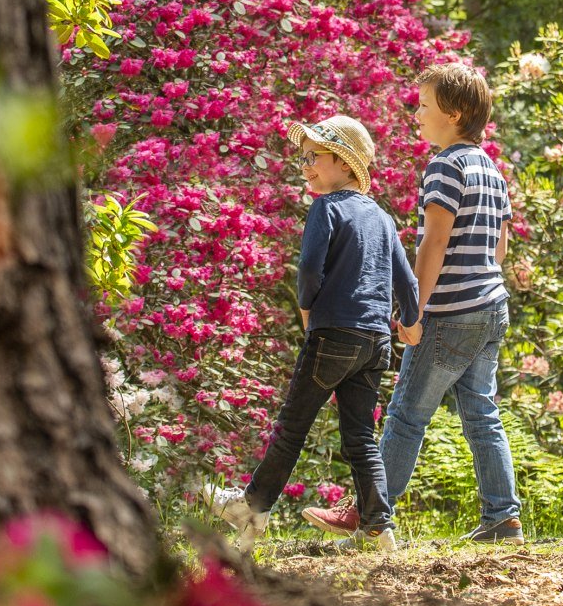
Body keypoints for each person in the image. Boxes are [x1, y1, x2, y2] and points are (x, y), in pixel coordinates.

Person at [303, 63, 525, 544]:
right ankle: (503, 517)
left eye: (424, 106)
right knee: (481, 413)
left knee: (406, 414)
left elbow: (434, 243)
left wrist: (413, 310)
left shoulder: (445, 166)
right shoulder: (490, 168)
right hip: (491, 307)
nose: (416, 115)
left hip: (449, 312)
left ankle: (367, 514)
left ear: (457, 112)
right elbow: (501, 248)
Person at [212, 115, 420, 551]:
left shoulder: (327, 207)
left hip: (332, 335)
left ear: (345, 163)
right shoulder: (382, 219)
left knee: (292, 428)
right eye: (302, 157)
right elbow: (407, 282)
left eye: (315, 157)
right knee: (361, 436)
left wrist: (307, 307)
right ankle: (379, 530)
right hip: (375, 342)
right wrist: (410, 320)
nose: (305, 165)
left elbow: (309, 268)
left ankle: (251, 509)